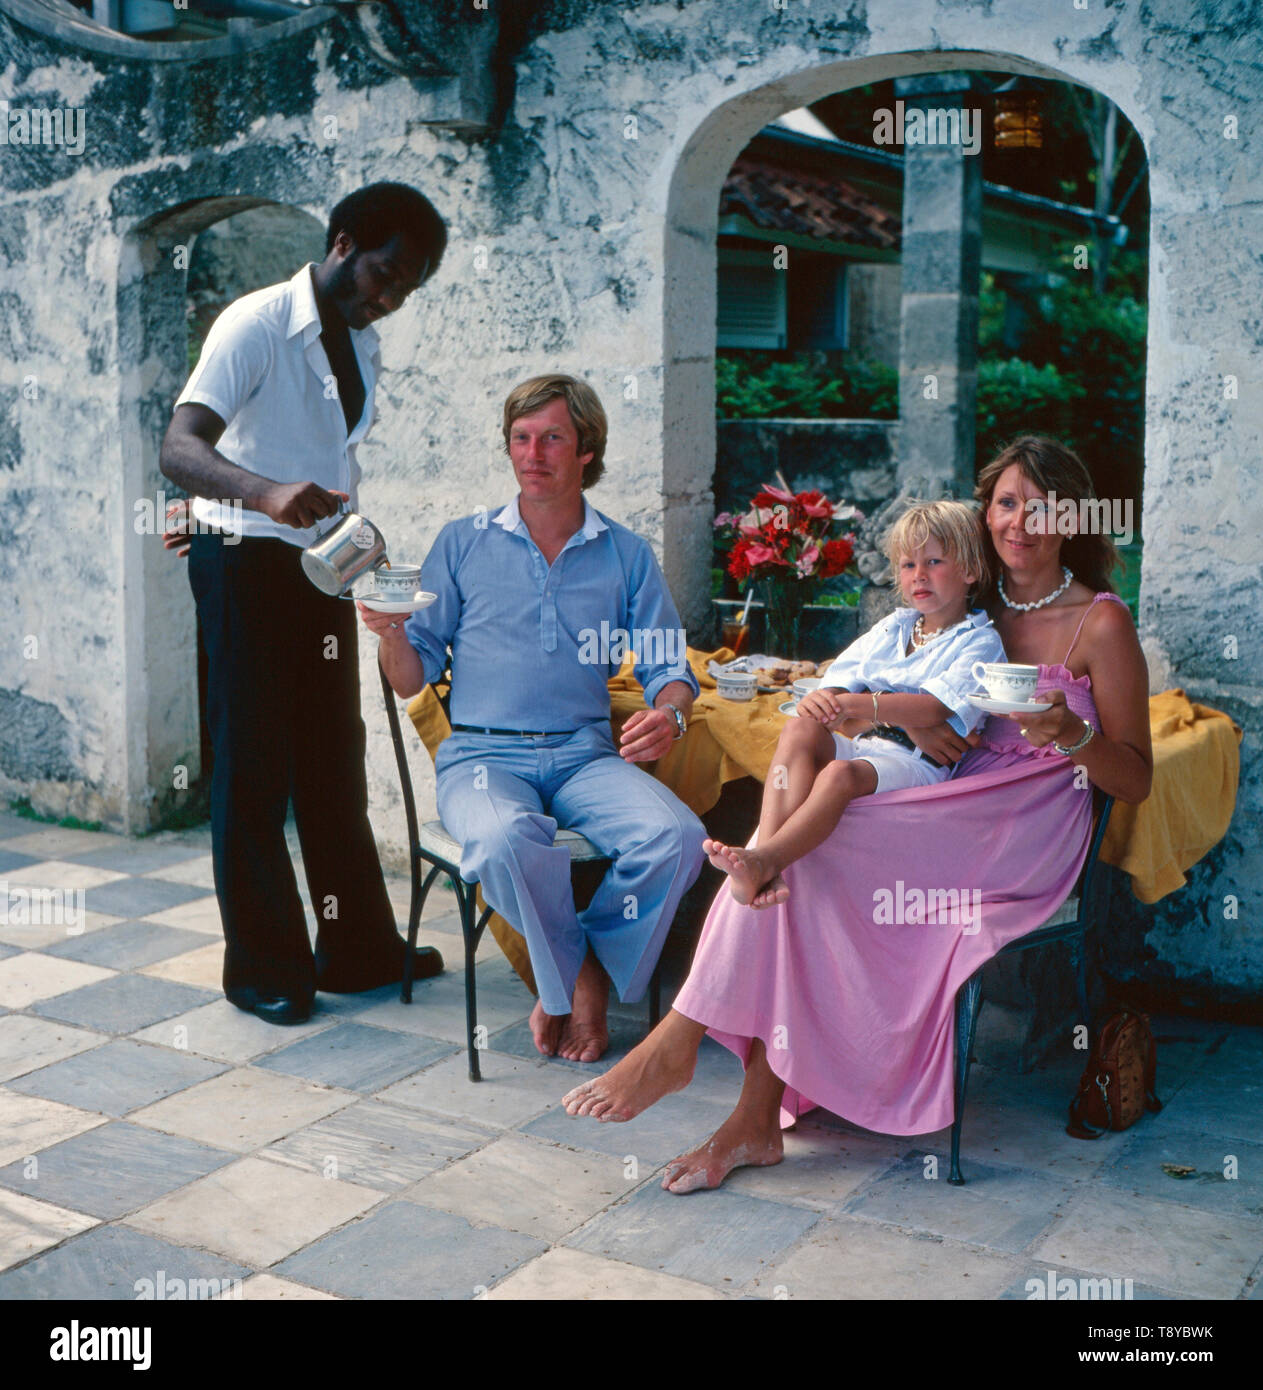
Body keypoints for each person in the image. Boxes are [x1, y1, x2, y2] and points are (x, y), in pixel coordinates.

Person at [562, 436, 1152, 1194]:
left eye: (1038, 507)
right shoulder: (964, 598)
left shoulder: (1099, 622)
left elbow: (1132, 779)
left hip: (1026, 822)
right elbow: (926, 699)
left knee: (813, 843)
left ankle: (696, 1052)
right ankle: (738, 1100)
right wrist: (909, 719)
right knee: (804, 846)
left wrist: (1071, 735)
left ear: (1071, 517)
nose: (1018, 522)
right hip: (946, 792)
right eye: (1005, 502)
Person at [159, 182, 449, 1026]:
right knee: (251, 769)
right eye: (384, 276)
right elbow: (181, 446)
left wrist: (353, 536)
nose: (389, 299)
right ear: (342, 243)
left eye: (406, 289)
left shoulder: (359, 342)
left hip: (317, 568)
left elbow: (327, 460)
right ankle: (263, 968)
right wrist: (262, 494)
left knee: (332, 759)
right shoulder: (254, 324)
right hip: (243, 563)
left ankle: (355, 949)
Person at [360, 374, 707, 1063]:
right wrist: (392, 635)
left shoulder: (625, 554)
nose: (533, 453)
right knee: (503, 842)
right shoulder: (462, 544)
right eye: (520, 438)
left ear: (586, 451)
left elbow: (669, 665)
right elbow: (411, 682)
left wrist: (671, 713)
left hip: (584, 754)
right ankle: (579, 980)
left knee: (677, 838)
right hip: (483, 758)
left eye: (552, 437)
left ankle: (589, 970)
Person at [703, 500, 1004, 909]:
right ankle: (763, 855)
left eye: (934, 561)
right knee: (800, 728)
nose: (919, 576)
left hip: (918, 763)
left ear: (970, 571)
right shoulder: (895, 626)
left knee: (838, 775)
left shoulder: (978, 640)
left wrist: (861, 706)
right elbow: (831, 692)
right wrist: (860, 707)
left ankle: (766, 859)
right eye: (907, 565)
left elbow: (933, 708)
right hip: (870, 744)